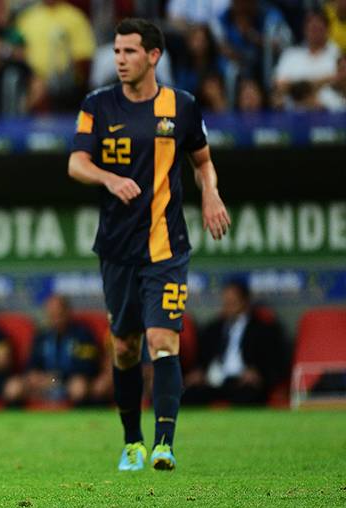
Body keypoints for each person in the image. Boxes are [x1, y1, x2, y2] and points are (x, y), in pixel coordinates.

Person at [67, 19, 231, 472]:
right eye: (116, 51)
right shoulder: (97, 105)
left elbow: (203, 161)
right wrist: (109, 177)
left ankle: (164, 443)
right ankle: (132, 441)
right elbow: (77, 163)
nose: (120, 59)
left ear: (153, 56)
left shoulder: (182, 106)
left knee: (163, 341)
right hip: (117, 250)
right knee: (124, 348)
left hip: (166, 247)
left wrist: (211, 191)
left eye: (130, 52)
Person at [183, 280, 289, 405]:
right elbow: (201, 359)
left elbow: (275, 361)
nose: (228, 306)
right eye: (226, 302)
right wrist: (199, 372)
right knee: (188, 395)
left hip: (243, 383)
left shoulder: (263, 329)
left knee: (249, 396)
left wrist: (258, 374)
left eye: (233, 302)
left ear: (245, 302)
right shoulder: (213, 328)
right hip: (213, 381)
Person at [3, 295, 106, 406]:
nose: (55, 319)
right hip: (44, 384)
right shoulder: (41, 336)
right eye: (51, 315)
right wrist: (35, 376)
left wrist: (56, 377)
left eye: (58, 314)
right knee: (13, 387)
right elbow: (31, 365)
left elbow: (87, 367)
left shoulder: (82, 335)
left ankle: (79, 420)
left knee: (78, 386)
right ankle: (17, 422)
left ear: (68, 312)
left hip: (68, 383)